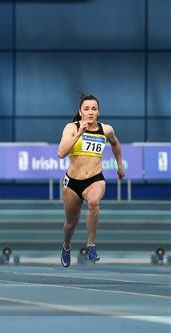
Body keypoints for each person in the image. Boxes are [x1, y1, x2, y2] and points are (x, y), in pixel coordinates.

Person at [57, 94, 125, 267]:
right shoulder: (71, 128)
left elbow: (115, 144)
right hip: (72, 182)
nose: (90, 112)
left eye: (94, 109)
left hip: (95, 179)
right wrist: (79, 133)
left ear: (98, 112)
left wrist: (119, 165)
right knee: (71, 223)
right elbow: (61, 153)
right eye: (86, 109)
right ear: (80, 112)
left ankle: (91, 246)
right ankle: (66, 246)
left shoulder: (106, 130)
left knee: (94, 202)